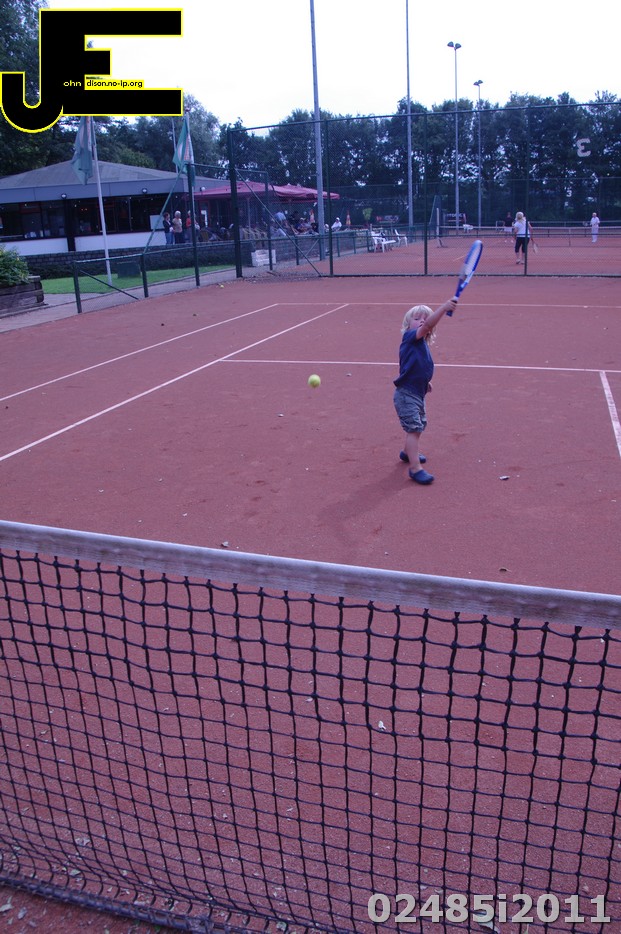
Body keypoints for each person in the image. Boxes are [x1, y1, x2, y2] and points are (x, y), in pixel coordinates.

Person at [393, 297, 458, 485]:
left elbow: (416, 366)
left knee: (419, 424)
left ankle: (407, 453)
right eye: (417, 318)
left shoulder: (421, 344)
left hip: (417, 392)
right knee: (414, 428)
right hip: (406, 395)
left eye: (424, 318)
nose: (422, 321)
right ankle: (415, 469)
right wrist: (444, 308)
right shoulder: (409, 337)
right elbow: (428, 325)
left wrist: (425, 382)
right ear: (407, 325)